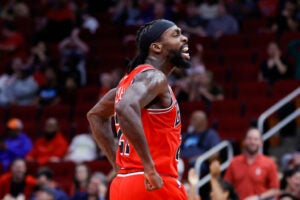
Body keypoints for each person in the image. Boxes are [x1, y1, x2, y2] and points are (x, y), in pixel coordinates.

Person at [87, 19, 191, 199]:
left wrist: (117, 164)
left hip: (123, 184)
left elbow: (96, 115)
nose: (184, 39)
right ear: (157, 47)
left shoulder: (126, 83)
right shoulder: (154, 77)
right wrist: (149, 167)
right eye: (176, 34)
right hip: (154, 183)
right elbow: (125, 107)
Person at [224, 128, 280, 200]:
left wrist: (257, 197)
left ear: (261, 143)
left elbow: (275, 190)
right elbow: (226, 186)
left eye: (256, 139)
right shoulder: (234, 162)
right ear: (244, 141)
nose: (252, 142)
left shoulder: (269, 163)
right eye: (249, 139)